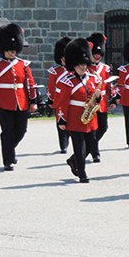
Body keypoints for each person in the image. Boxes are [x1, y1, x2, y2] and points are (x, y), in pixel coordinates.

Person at [0, 23, 37, 171]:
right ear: (3, 49)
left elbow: (30, 84)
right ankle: (8, 160)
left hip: (21, 102)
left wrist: (33, 101)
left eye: (14, 50)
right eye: (9, 50)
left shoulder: (23, 64)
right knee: (8, 131)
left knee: (21, 130)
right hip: (3, 103)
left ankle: (9, 150)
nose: (12, 52)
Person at [55, 38, 100, 183]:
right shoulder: (66, 81)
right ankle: (82, 173)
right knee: (79, 145)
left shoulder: (93, 79)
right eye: (80, 64)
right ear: (73, 64)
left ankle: (73, 161)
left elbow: (96, 96)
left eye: (84, 64)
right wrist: (61, 119)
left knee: (91, 144)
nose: (83, 67)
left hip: (90, 117)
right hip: (74, 116)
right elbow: (62, 103)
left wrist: (98, 99)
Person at [86, 33, 112, 163]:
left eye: (98, 54)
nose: (97, 56)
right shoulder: (86, 67)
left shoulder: (105, 68)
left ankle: (90, 147)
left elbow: (108, 85)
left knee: (103, 127)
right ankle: (95, 152)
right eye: (95, 54)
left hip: (101, 102)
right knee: (93, 128)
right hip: (89, 101)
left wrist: (112, 98)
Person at [47, 36, 72, 153]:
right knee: (60, 119)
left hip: (72, 99)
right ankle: (63, 144)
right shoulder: (55, 71)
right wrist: (51, 100)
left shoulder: (74, 70)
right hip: (59, 99)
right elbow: (51, 86)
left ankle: (69, 137)